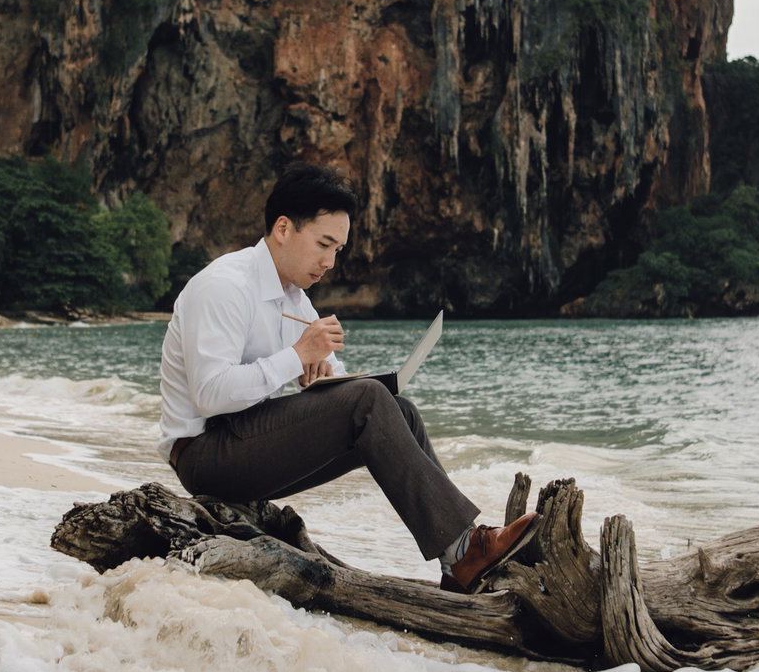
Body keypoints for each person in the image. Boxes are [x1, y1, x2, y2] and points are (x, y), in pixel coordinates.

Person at [157, 163, 538, 592]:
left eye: (338, 248)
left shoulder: (296, 300)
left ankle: (459, 558)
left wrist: (317, 379)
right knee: (369, 401)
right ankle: (468, 550)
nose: (331, 262)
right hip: (205, 456)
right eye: (323, 244)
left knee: (399, 410)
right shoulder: (224, 285)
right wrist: (297, 356)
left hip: (247, 443)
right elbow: (209, 395)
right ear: (283, 228)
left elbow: (340, 388)